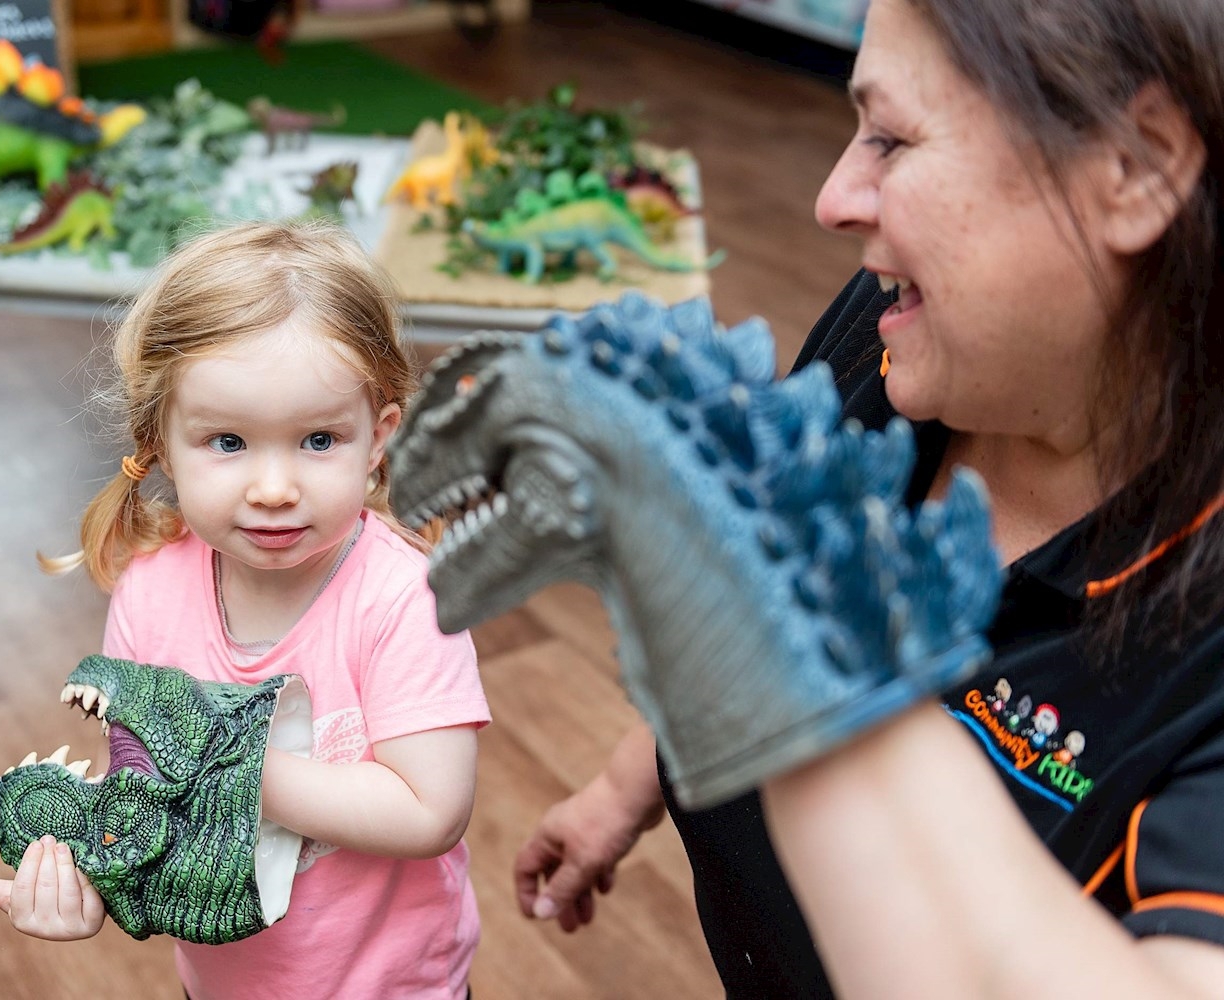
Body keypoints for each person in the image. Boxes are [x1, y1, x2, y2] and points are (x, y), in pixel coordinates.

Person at [514, 0, 1224, 996]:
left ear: (1140, 167)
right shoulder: (895, 333)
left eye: (890, 136)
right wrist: (627, 782)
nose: (834, 196)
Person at [0, 219, 489, 1000]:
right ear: (162, 443)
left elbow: (428, 812)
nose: (274, 487)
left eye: (317, 440)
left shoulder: (407, 596)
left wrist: (217, 768)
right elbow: (144, 799)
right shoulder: (150, 589)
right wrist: (89, 890)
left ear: (377, 439)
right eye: (228, 442)